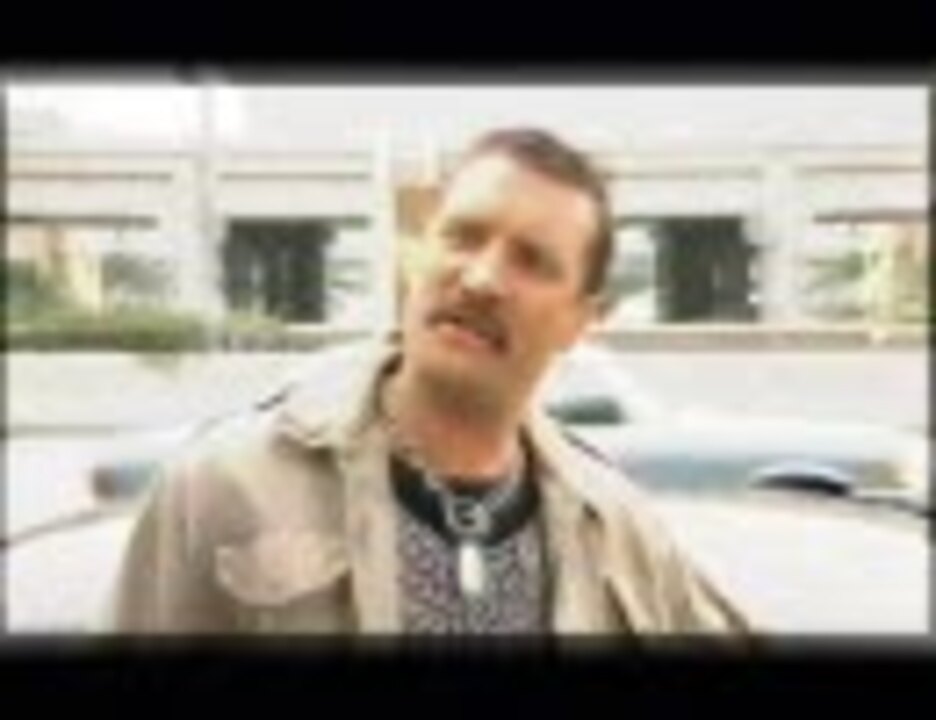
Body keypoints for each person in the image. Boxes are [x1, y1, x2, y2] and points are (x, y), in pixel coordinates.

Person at [111, 128, 751, 636]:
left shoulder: (619, 530)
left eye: (531, 261)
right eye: (463, 237)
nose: (480, 278)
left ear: (580, 321)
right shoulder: (222, 488)